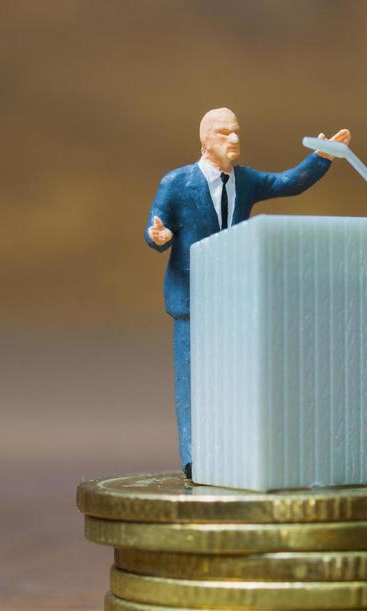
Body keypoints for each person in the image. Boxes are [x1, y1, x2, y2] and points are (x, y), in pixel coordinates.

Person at [145, 108, 350, 476]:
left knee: (238, 377)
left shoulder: (247, 181)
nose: (234, 140)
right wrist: (158, 237)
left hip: (234, 298)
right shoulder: (176, 183)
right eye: (224, 133)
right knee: (191, 383)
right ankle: (194, 459)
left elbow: (288, 183)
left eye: (236, 132)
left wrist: (322, 157)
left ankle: (234, 451)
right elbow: (155, 225)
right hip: (191, 299)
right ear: (206, 140)